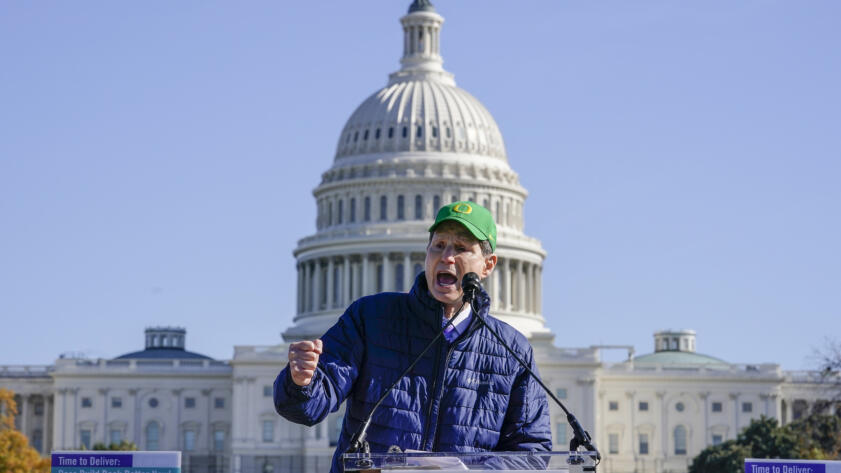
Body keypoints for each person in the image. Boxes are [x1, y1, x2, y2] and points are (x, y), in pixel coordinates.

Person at [274, 201, 552, 472]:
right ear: (427, 253)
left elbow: (532, 450)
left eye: (461, 248)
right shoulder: (371, 319)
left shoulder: (512, 350)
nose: (447, 257)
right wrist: (300, 382)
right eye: (439, 246)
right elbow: (308, 407)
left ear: (488, 265)